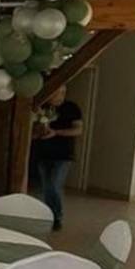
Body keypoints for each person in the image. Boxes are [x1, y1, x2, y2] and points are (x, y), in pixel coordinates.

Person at [31, 85, 83, 231]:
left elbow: (78, 129)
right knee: (46, 187)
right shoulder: (41, 107)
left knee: (54, 185)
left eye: (62, 92)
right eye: (56, 92)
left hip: (63, 155)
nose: (59, 96)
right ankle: (48, 215)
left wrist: (56, 132)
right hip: (43, 153)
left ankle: (57, 217)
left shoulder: (71, 108)